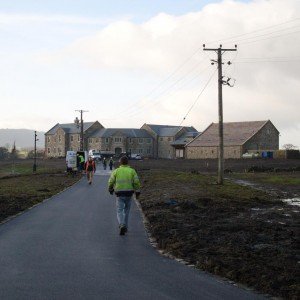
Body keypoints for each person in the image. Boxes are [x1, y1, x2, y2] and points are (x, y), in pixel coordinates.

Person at [108, 156, 141, 235]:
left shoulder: (116, 171)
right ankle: (125, 226)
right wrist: (137, 192)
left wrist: (110, 189)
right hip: (129, 193)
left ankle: (122, 224)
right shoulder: (132, 171)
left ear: (120, 162)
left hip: (119, 193)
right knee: (127, 211)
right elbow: (136, 182)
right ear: (128, 162)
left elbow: (111, 181)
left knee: (119, 210)